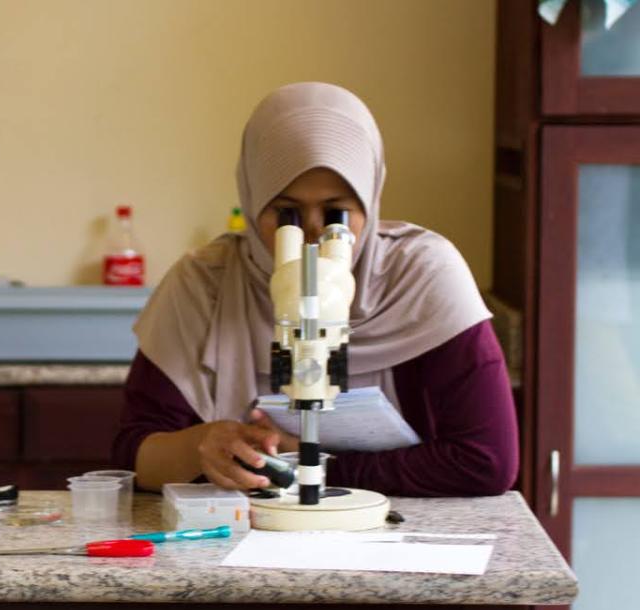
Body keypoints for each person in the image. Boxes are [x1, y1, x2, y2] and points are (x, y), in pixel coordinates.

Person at [112, 82, 517, 497]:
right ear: (253, 205)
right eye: (285, 213)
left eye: (336, 212)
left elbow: (487, 461)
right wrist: (201, 447)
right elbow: (133, 455)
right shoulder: (205, 284)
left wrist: (316, 465)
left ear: (370, 202)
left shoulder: (421, 274)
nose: (311, 234)